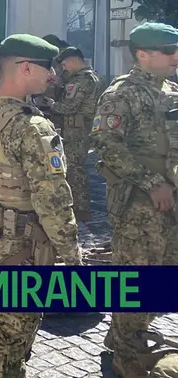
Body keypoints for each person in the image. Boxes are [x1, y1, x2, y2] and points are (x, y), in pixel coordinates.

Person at [0, 34, 80, 378]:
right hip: (23, 245)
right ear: (25, 68)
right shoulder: (31, 127)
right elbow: (53, 201)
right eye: (48, 67)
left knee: (4, 320)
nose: (53, 74)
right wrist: (72, 256)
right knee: (9, 336)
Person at [90, 23, 178, 378]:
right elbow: (107, 144)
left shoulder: (170, 89)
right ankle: (127, 359)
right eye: (168, 51)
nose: (176, 57)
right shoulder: (120, 93)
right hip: (138, 205)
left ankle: (124, 334)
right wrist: (152, 182)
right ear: (143, 54)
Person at [36, 47, 100, 222]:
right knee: (73, 166)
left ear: (73, 61)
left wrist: (52, 104)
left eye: (65, 64)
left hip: (76, 130)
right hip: (76, 128)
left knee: (75, 168)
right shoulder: (84, 78)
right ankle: (78, 205)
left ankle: (81, 209)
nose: (64, 68)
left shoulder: (82, 80)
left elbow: (69, 107)